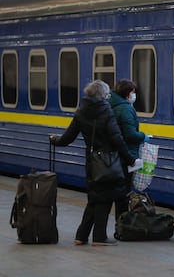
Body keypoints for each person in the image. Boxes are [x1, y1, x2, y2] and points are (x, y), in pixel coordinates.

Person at [50, 80, 138, 246]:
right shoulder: (106, 111)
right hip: (108, 161)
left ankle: (81, 235)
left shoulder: (80, 112)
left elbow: (68, 137)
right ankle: (99, 237)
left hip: (91, 160)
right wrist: (130, 158)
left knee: (94, 197)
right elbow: (117, 138)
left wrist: (54, 140)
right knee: (104, 198)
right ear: (103, 94)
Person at [108, 79, 150, 221]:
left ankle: (120, 221)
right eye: (133, 92)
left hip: (113, 154)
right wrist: (144, 137)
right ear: (127, 93)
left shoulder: (111, 104)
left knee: (117, 190)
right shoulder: (126, 108)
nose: (134, 95)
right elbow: (130, 135)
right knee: (124, 190)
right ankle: (122, 222)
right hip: (126, 154)